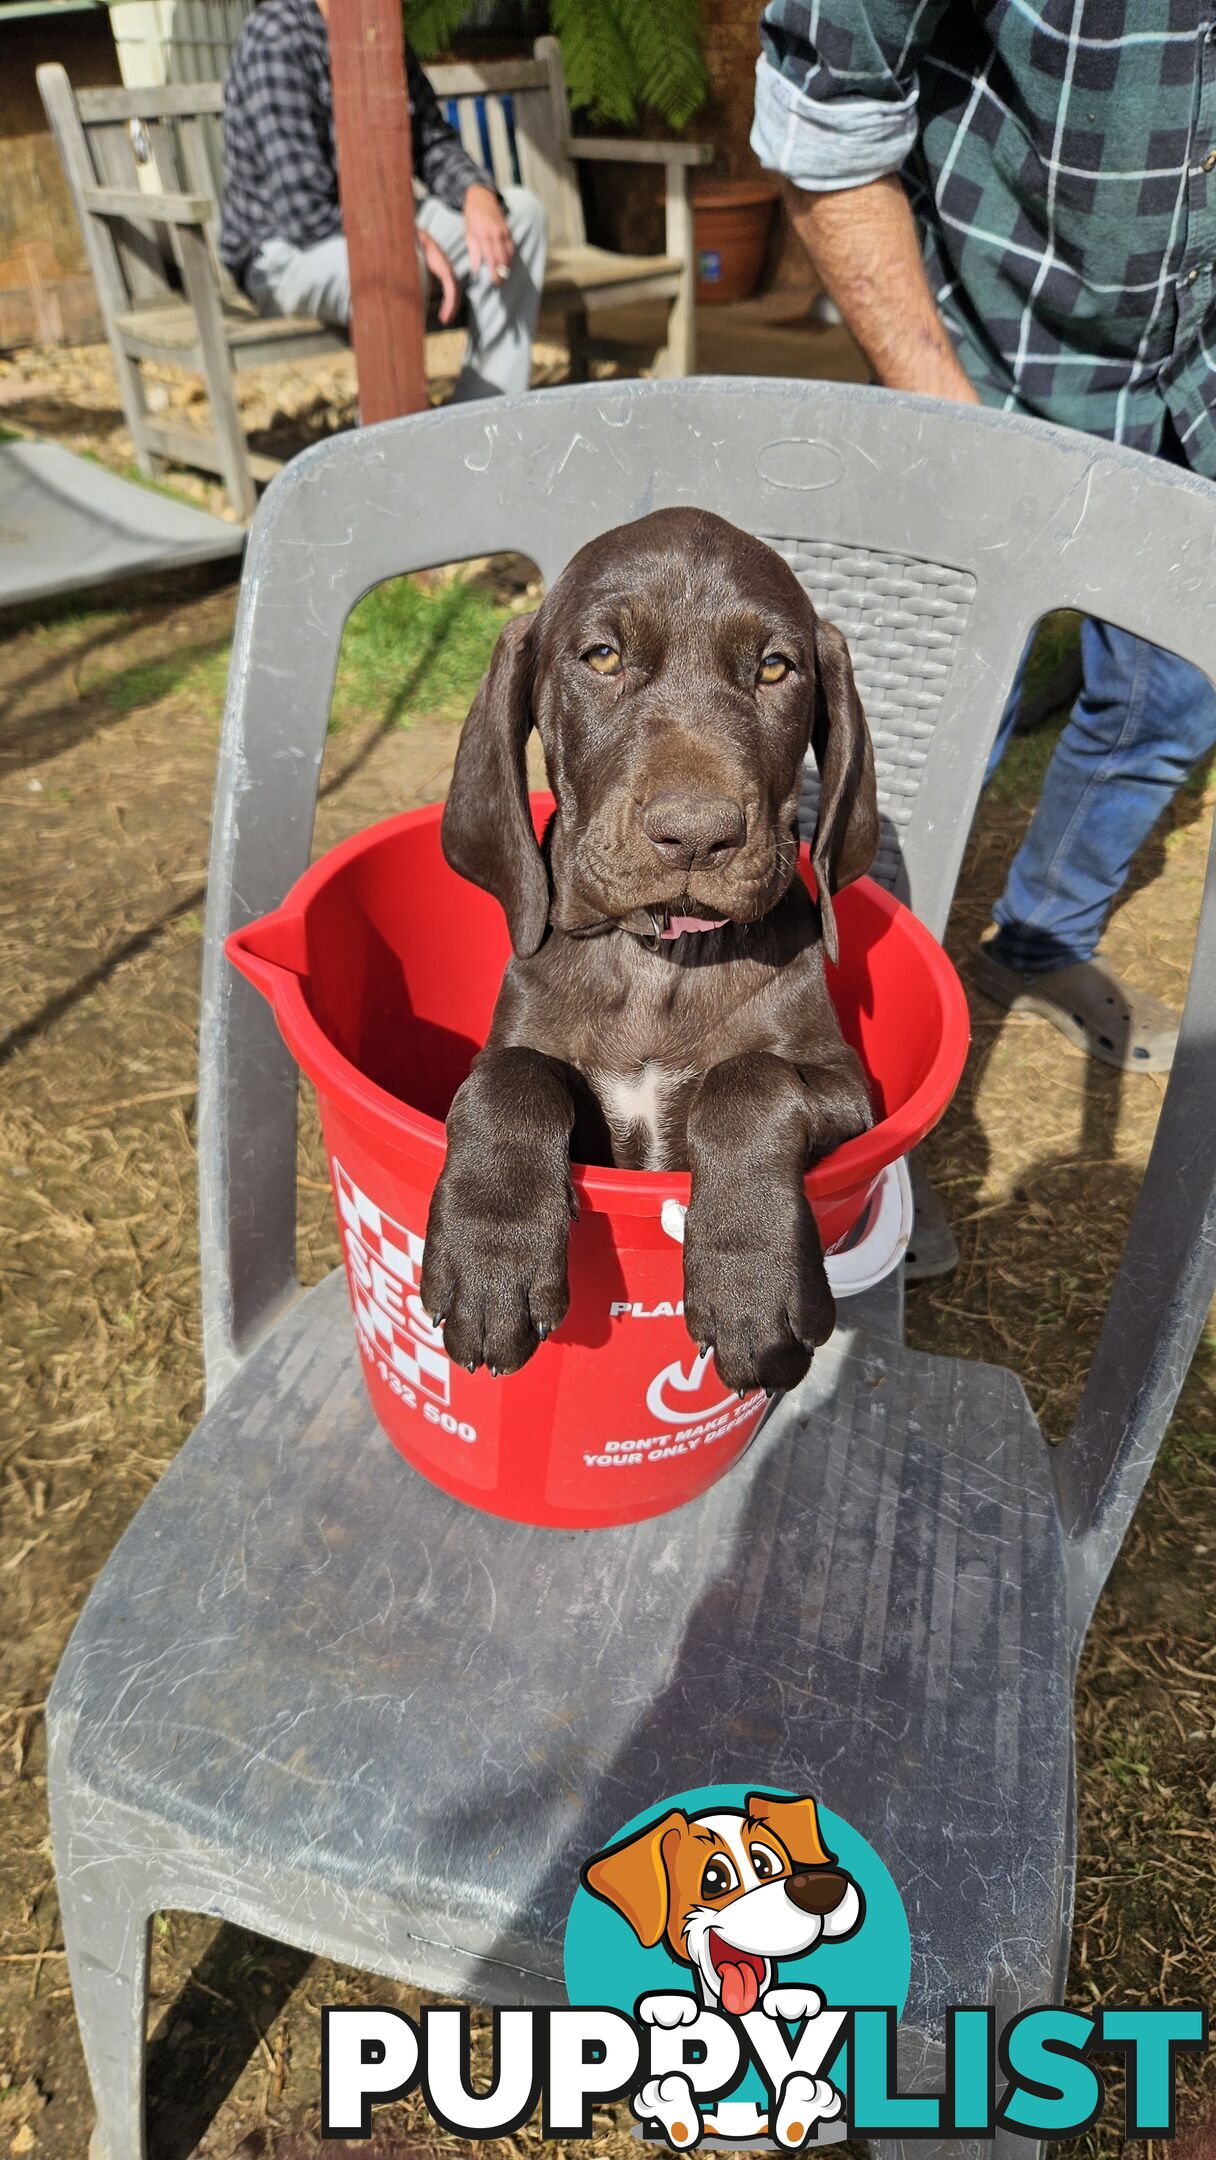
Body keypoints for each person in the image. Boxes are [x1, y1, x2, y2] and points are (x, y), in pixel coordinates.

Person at [751, 1, 1216, 1072]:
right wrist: (952, 438)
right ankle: (822, 1041)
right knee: (908, 746)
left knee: (1175, 691)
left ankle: (1039, 941)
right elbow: (826, 118)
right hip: (981, 359)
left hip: (1188, 382)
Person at [220, 0, 547, 402]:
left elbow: (429, 140)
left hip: (386, 223)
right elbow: (303, 211)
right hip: (283, 254)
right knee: (393, 263)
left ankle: (484, 421)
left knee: (521, 217)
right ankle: (390, 446)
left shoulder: (378, 22)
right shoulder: (275, 36)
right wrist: (405, 236)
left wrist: (476, 193)